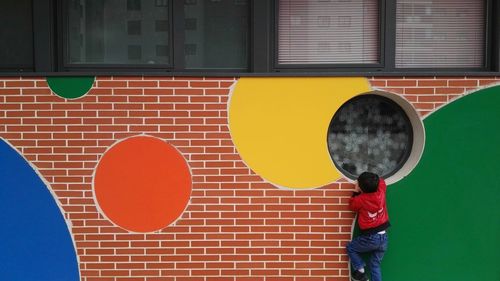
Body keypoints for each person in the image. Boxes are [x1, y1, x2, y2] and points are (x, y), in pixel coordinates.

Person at [346, 172, 390, 281]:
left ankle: (360, 271)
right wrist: (371, 179)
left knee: (350, 247)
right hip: (383, 237)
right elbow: (382, 182)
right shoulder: (381, 192)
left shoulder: (361, 199)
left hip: (371, 238)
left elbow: (352, 206)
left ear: (361, 187)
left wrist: (356, 191)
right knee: (375, 265)